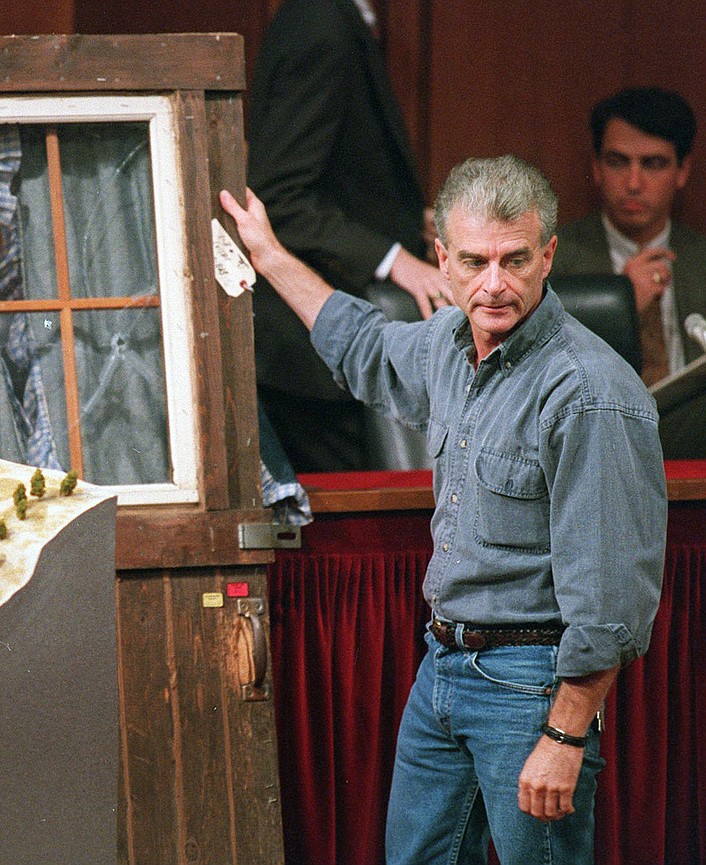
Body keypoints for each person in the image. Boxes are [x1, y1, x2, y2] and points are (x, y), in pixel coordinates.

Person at [220, 154, 666, 864]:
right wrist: (270, 256)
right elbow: (358, 340)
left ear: (547, 256)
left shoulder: (589, 393)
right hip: (442, 669)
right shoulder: (447, 345)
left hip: (533, 685)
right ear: (442, 261)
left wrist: (564, 733)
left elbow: (613, 596)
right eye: (474, 261)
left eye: (515, 260)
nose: (494, 283)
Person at [246, 0, 451, 471]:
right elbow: (278, 196)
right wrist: (395, 257)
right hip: (314, 360)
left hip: (328, 352)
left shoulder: (327, 19)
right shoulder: (320, 23)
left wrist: (402, 224)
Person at [552, 86, 706, 385]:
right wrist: (619, 306)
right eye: (618, 162)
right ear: (596, 168)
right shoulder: (553, 258)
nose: (634, 183)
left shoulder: (701, 259)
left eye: (653, 164)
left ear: (683, 170)